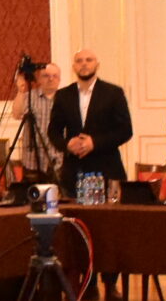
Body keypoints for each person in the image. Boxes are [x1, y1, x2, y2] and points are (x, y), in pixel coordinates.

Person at [47, 48, 133, 196]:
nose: (84, 64)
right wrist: (67, 144)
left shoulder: (113, 93)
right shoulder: (63, 95)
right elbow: (53, 131)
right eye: (79, 61)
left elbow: (125, 131)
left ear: (97, 65)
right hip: (73, 173)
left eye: (89, 60)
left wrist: (95, 142)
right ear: (74, 67)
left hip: (107, 169)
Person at [4, 62, 62, 186]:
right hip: (33, 160)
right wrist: (20, 91)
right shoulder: (30, 96)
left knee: (57, 194)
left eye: (55, 76)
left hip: (58, 159)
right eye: (46, 76)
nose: (51, 79)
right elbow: (17, 114)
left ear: (59, 79)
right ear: (39, 79)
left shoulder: (65, 98)